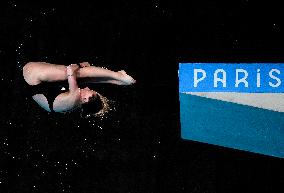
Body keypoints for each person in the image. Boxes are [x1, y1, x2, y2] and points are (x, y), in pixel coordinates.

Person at [22, 62, 136, 114]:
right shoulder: (73, 106)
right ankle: (116, 81)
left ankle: (120, 76)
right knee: (79, 80)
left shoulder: (75, 97)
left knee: (79, 72)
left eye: (91, 91)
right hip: (34, 85)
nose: (87, 88)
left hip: (31, 72)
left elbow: (70, 69)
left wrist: (81, 64)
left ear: (87, 99)